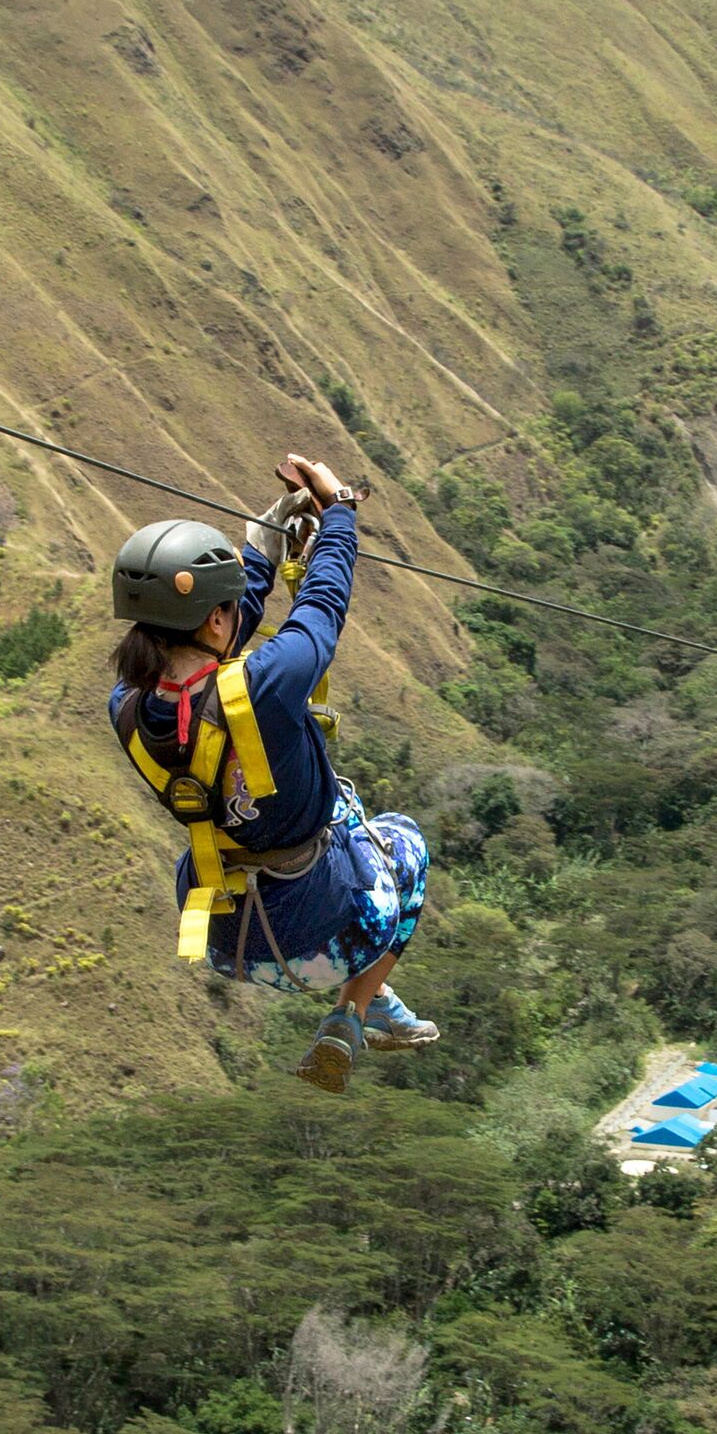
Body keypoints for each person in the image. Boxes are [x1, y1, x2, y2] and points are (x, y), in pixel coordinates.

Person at [107, 453, 436, 1092]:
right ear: (215, 618)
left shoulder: (125, 707)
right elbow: (323, 602)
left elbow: (218, 636)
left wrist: (256, 554)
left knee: (337, 815)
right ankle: (352, 1012)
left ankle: (379, 1003)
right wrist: (337, 513)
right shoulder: (265, 686)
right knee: (403, 841)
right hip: (323, 932)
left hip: (227, 942)